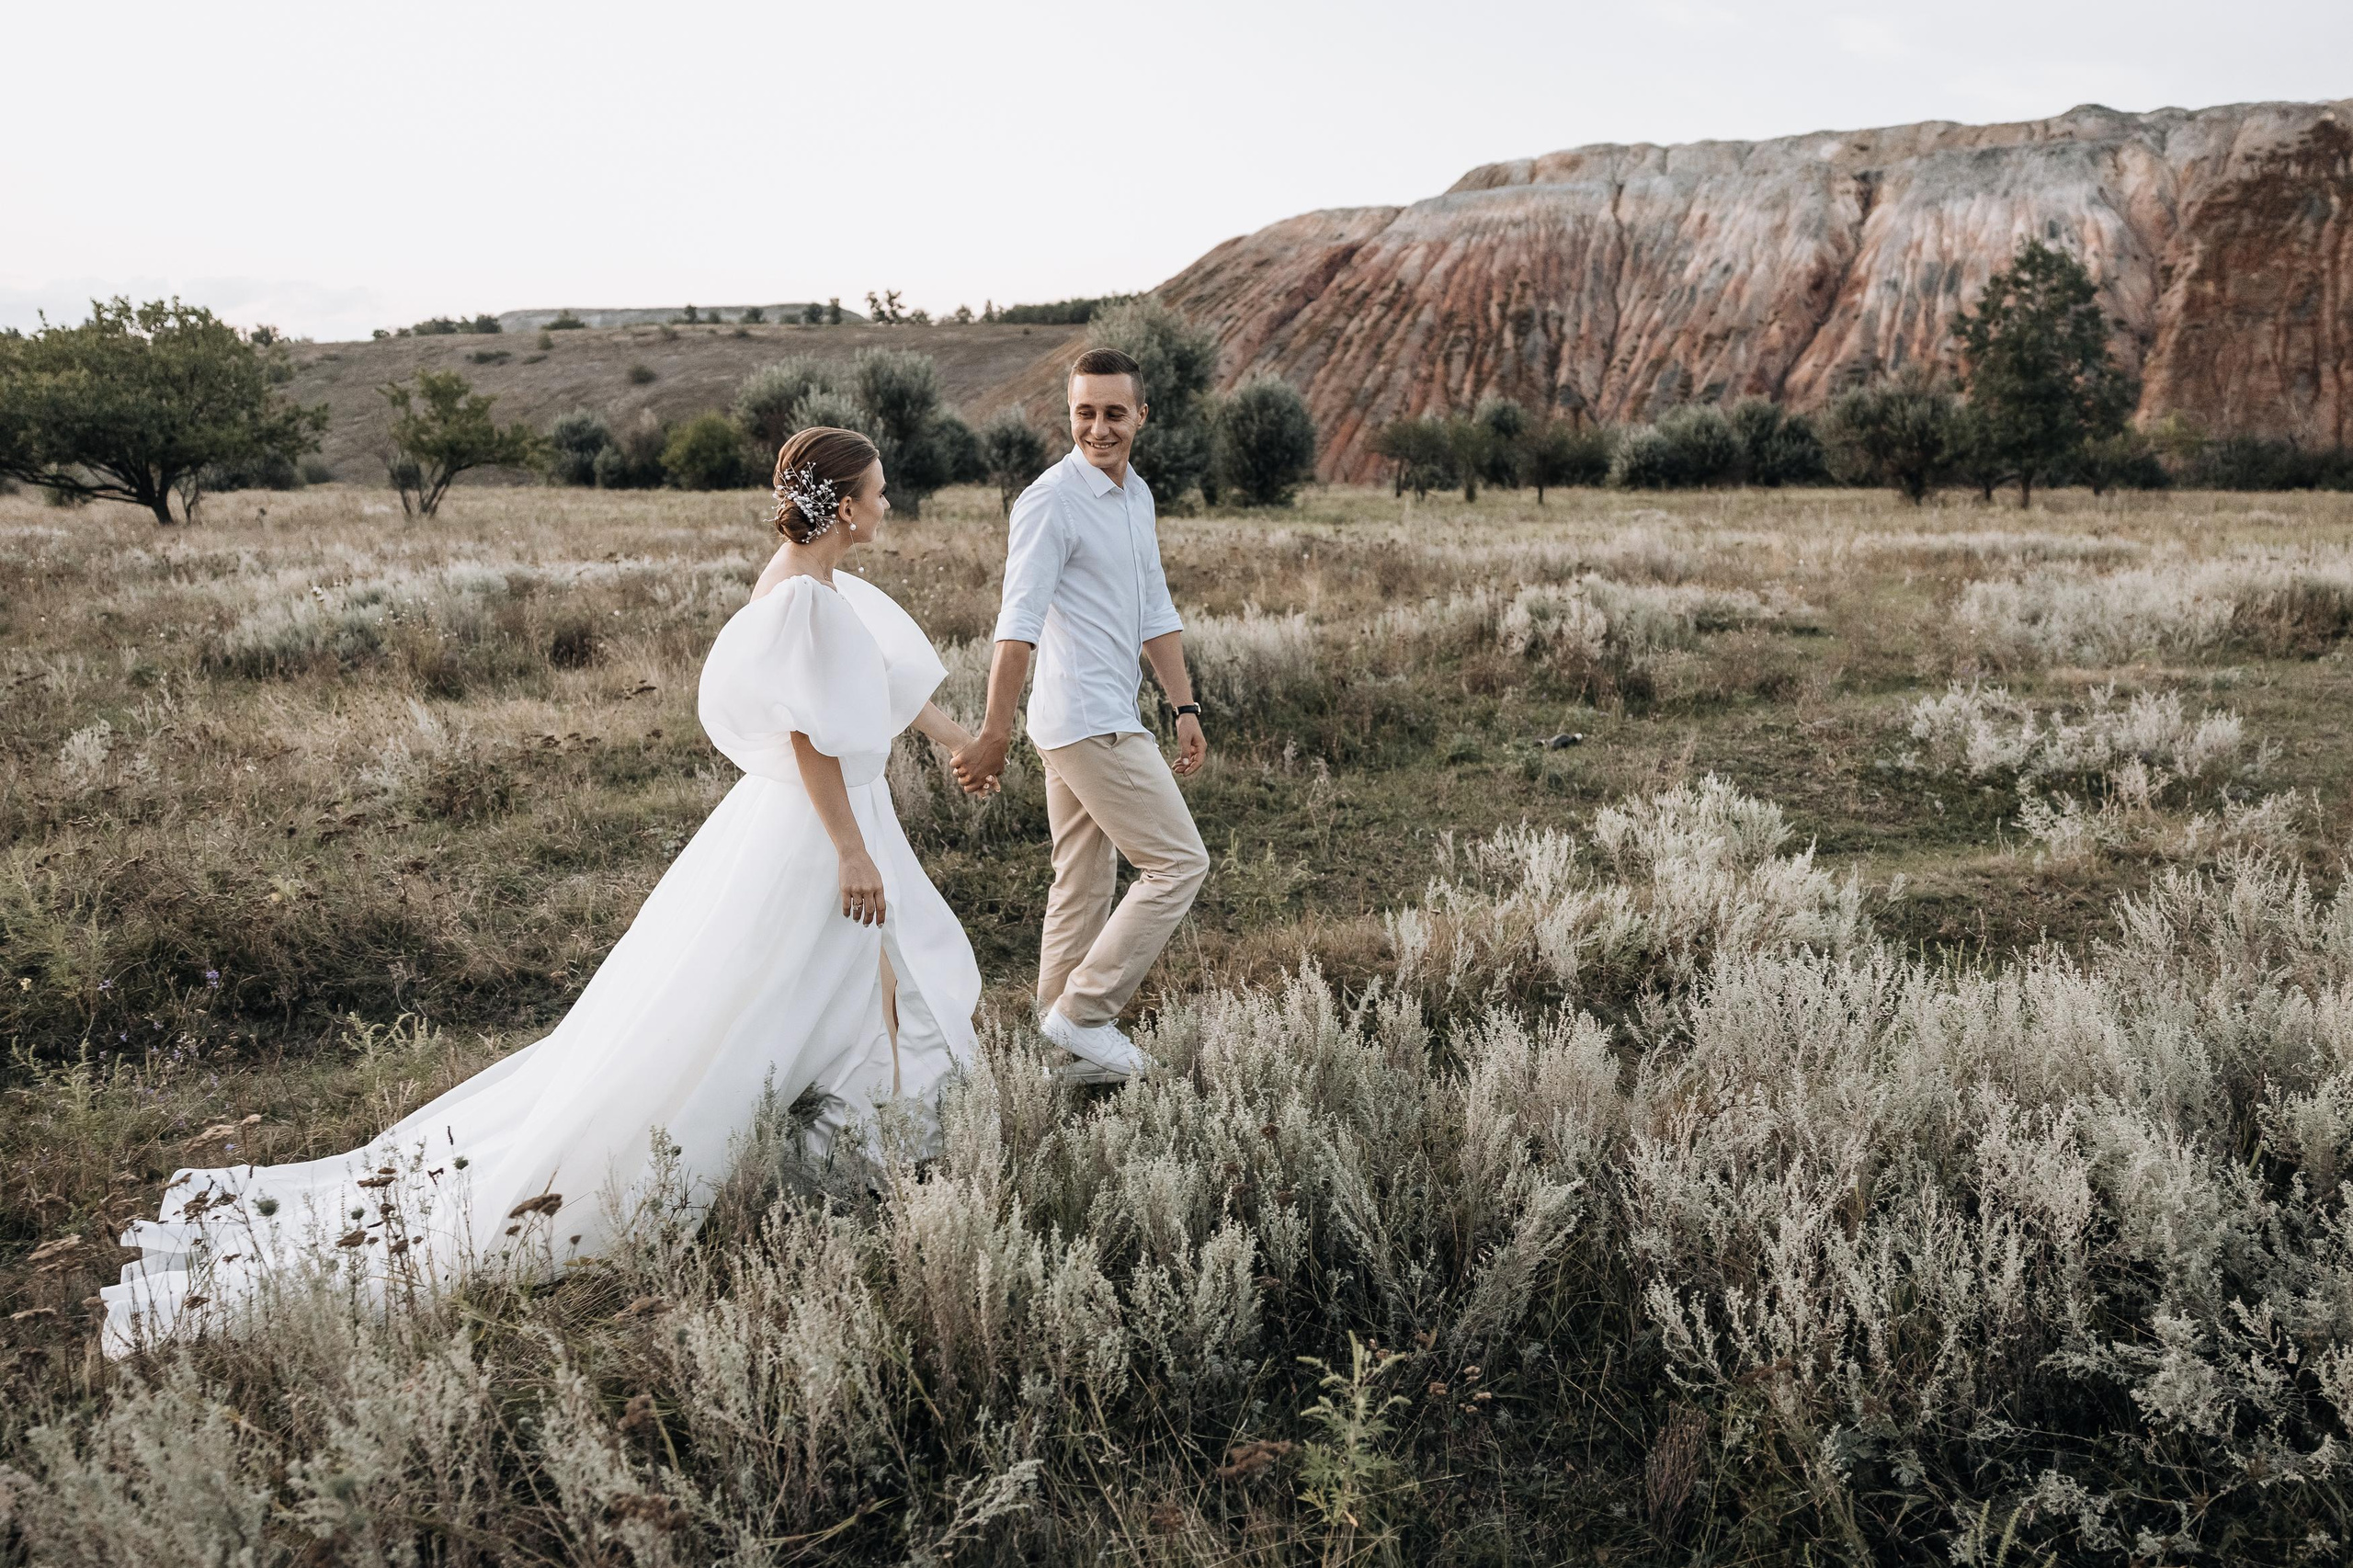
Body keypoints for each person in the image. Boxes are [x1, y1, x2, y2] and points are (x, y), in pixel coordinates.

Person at [101, 427, 984, 1355]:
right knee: (778, 996)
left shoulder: (820, 583)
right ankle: (781, 1155)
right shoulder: (800, 594)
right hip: (814, 832)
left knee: (857, 982)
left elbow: (881, 685)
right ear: (843, 505)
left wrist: (963, 738)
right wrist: (849, 850)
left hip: (834, 820)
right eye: (879, 491)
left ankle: (861, 1150)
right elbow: (808, 736)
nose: (888, 503)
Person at [952, 347, 1211, 1081]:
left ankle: (1058, 1047)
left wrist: (1184, 704)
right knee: (1178, 863)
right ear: (1068, 413)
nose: (1099, 428)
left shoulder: (1138, 496)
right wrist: (993, 733)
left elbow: (1155, 610)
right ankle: (1085, 1014)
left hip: (1100, 713)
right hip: (1085, 718)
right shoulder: (1049, 501)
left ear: (1141, 416)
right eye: (1084, 413)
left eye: (1114, 413)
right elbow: (1017, 627)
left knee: (1083, 882)